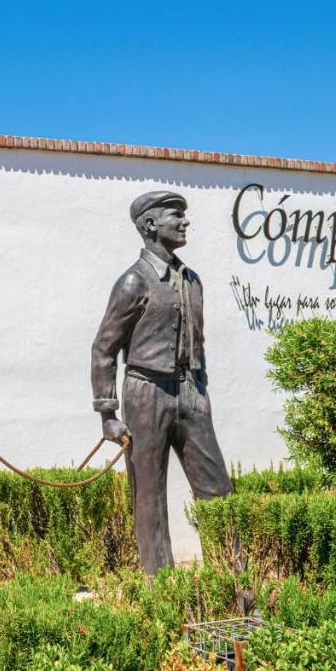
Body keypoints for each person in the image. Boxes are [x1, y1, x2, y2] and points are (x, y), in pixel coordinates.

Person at [90, 190, 234, 575]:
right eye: (175, 216)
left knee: (218, 490)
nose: (185, 222)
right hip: (145, 394)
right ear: (150, 224)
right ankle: (162, 595)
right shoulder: (133, 283)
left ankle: (236, 588)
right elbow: (104, 349)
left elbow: (196, 339)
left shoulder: (193, 281)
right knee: (149, 499)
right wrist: (108, 414)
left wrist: (200, 388)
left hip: (190, 392)